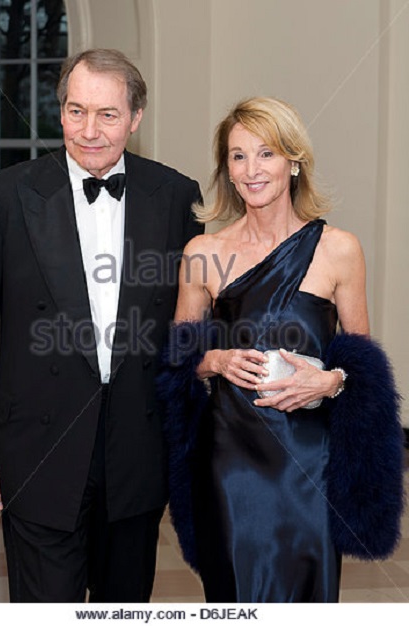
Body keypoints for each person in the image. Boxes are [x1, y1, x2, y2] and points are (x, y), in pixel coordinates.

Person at [0, 48, 203, 603]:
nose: (89, 131)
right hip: (35, 449)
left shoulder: (177, 197)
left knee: (124, 605)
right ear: (59, 111)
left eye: (108, 114)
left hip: (137, 449)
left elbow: (196, 325)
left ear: (136, 118)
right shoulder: (4, 197)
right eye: (75, 111)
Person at [158, 97, 404, 602]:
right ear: (226, 168)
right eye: (238, 156)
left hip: (311, 464)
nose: (251, 170)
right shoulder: (203, 253)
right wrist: (219, 360)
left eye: (265, 153)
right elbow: (178, 359)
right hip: (229, 462)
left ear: (294, 161)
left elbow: (360, 367)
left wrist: (330, 380)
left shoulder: (339, 248)